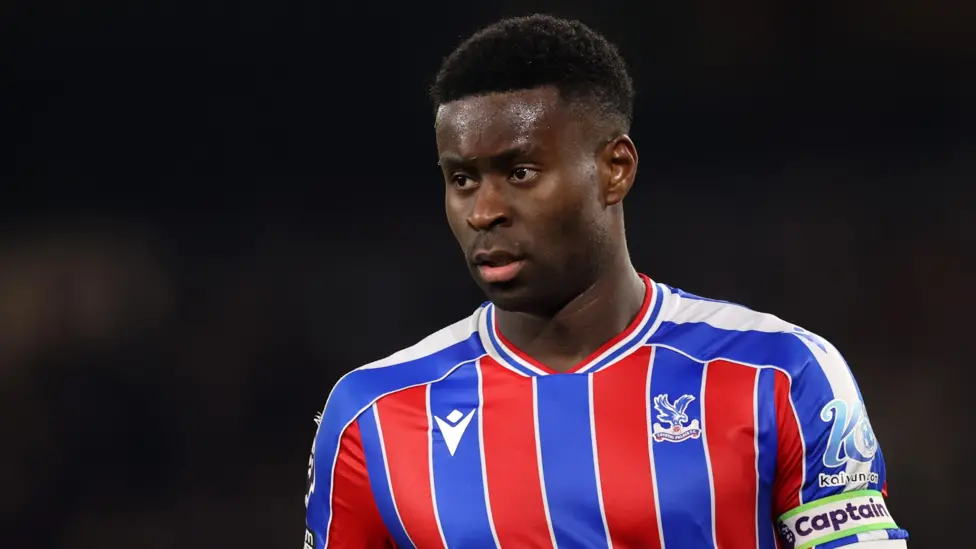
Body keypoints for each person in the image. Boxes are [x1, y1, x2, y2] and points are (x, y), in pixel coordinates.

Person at [303, 14, 909, 549]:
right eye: (462, 179)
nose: (483, 209)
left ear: (614, 169)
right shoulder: (373, 415)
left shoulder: (779, 373)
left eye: (519, 172)